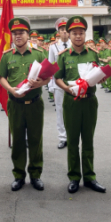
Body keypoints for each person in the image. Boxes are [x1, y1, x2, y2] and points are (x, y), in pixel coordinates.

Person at [53, 16, 106, 194]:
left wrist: (102, 77)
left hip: (90, 101)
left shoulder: (93, 54)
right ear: (69, 34)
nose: (78, 36)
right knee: (73, 140)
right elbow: (57, 77)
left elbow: (99, 75)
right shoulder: (63, 56)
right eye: (74, 33)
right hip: (72, 102)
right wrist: (67, 89)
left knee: (89, 140)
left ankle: (90, 177)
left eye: (81, 33)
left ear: (85, 34)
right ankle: (74, 177)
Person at [0, 16, 48, 191]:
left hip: (34, 103)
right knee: (17, 140)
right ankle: (18, 175)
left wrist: (39, 83)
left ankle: (35, 175)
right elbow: (2, 77)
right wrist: (10, 89)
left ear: (28, 35)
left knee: (35, 139)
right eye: (15, 33)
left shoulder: (39, 54)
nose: (18, 36)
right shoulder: (6, 56)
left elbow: (48, 77)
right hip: (15, 104)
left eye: (22, 33)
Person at [47, 18, 70, 149]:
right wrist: (51, 85)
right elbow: (51, 66)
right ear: (59, 32)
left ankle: (72, 135)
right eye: (62, 30)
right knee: (60, 110)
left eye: (66, 30)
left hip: (73, 82)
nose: (65, 32)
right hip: (58, 83)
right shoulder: (53, 47)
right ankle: (63, 137)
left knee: (73, 110)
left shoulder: (75, 45)